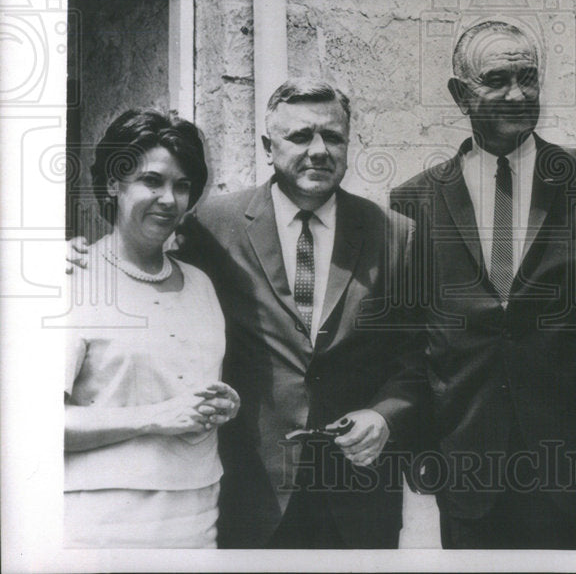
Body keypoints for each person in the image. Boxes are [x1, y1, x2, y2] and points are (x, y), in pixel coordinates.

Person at [69, 80, 421, 548]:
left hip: (358, 498)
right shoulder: (211, 225)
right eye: (299, 136)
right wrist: (69, 258)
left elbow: (421, 358)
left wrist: (386, 416)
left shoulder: (396, 235)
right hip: (247, 496)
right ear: (267, 146)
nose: (318, 150)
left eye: (333, 137)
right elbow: (136, 261)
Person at [390, 20, 576, 549]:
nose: (517, 94)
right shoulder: (414, 201)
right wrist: (421, 448)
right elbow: (411, 343)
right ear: (460, 95)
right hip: (469, 471)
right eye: (497, 79)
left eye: (528, 77)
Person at [64, 109, 240, 548]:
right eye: (152, 181)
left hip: (197, 517)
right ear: (112, 183)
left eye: (182, 186)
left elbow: (181, 393)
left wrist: (217, 404)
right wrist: (154, 419)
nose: (169, 199)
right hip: (105, 525)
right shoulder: (73, 280)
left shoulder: (200, 284)